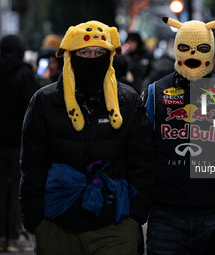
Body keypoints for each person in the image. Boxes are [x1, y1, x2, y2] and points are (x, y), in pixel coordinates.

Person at [19, 20, 154, 255]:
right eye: (84, 52)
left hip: (115, 225)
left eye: (100, 52)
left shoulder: (128, 101)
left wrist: (135, 217)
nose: (92, 58)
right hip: (57, 225)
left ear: (110, 56)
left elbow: (142, 163)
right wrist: (36, 222)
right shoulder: (44, 101)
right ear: (70, 55)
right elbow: (32, 165)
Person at [142, 17, 215, 255]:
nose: (193, 54)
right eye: (185, 47)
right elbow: (140, 154)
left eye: (202, 48)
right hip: (165, 216)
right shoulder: (155, 93)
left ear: (211, 50)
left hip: (213, 216)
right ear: (176, 48)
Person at [0, 34, 39, 252]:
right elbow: (33, 107)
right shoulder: (24, 73)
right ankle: (14, 237)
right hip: (18, 143)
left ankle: (0, 235)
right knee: (16, 188)